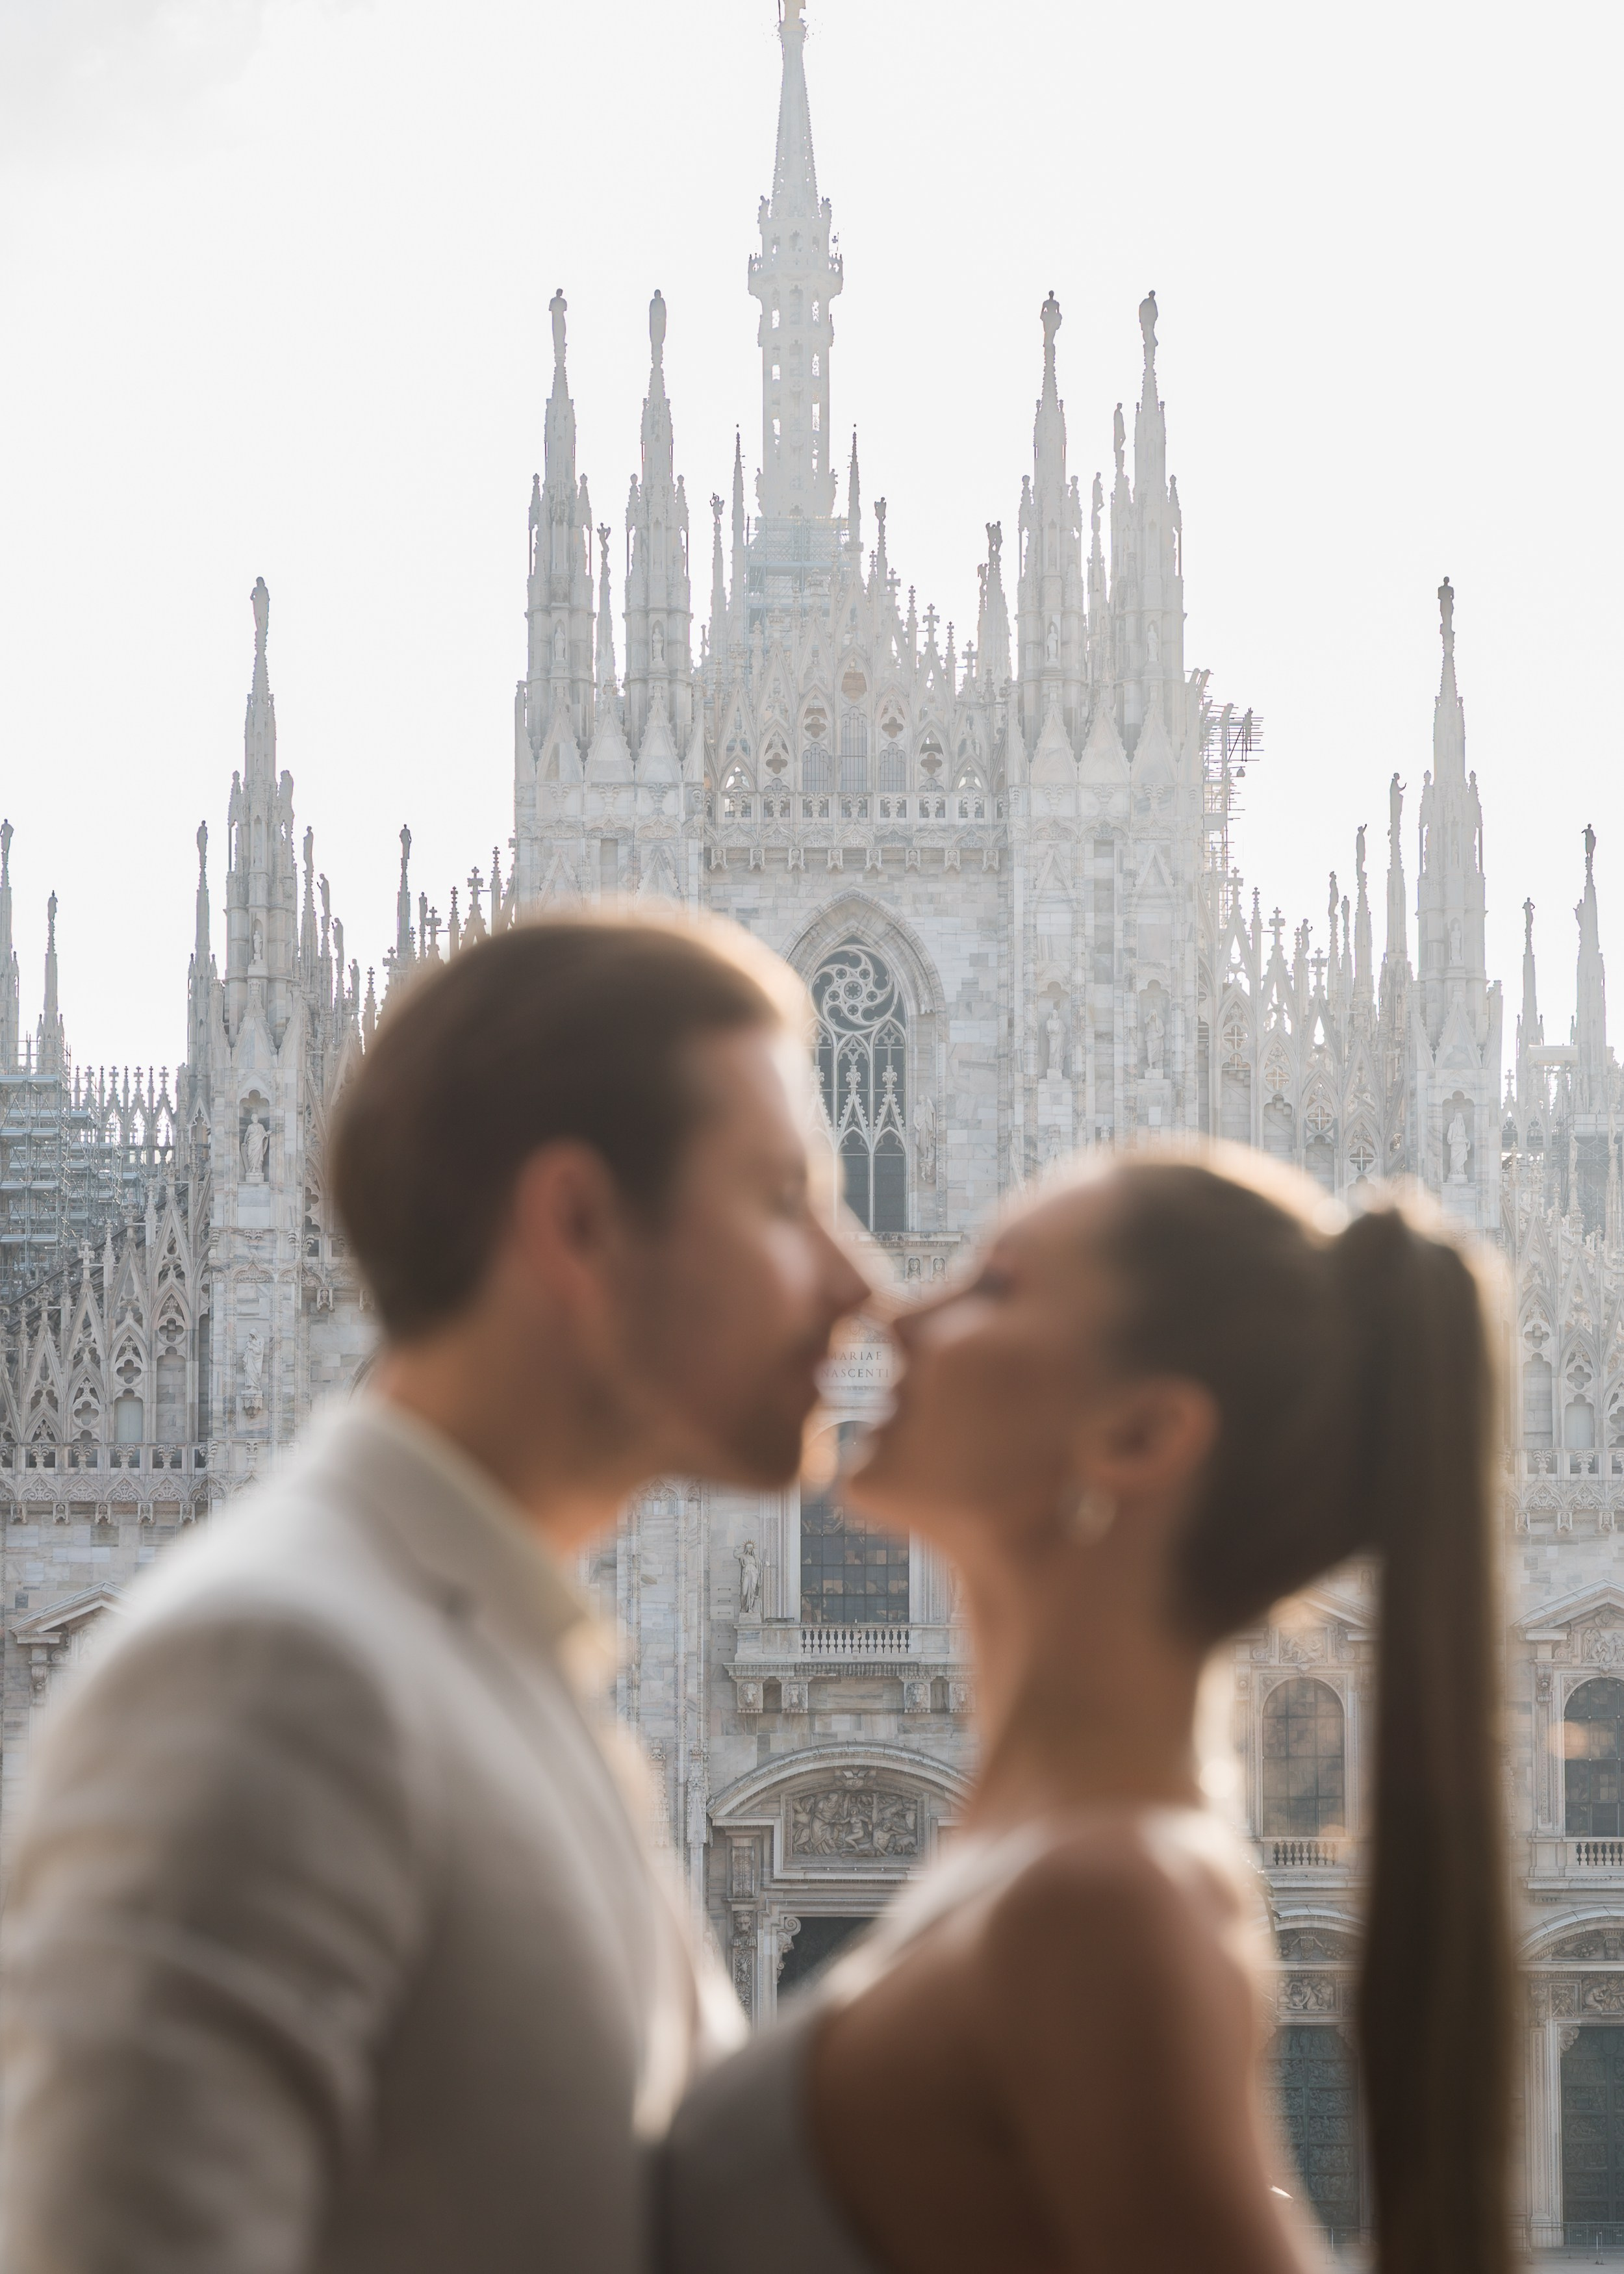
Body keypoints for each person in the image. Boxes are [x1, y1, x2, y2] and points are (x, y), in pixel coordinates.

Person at [0, 910, 869, 2274]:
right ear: (575, 1222)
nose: (856, 1275)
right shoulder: (270, 1675)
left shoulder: (497, 1654)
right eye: (782, 1202)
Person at [665, 1145, 1511, 2274]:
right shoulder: (1053, 1861)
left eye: (993, 1285)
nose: (898, 1311)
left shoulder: (1110, 1903)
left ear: (1140, 1436)